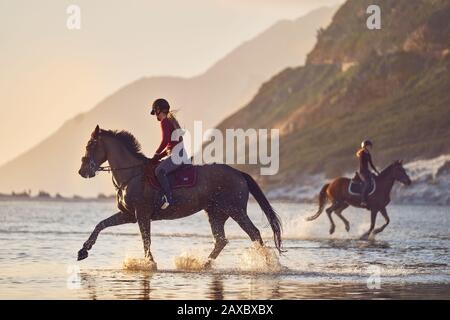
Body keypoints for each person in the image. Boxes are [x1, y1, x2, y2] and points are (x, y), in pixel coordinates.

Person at [150, 98, 186, 209]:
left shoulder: (165, 121)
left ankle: (169, 198)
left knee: (159, 171)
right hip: (179, 154)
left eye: (155, 112)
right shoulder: (171, 121)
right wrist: (158, 157)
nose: (156, 116)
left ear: (158, 110)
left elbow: (165, 141)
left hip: (177, 156)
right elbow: (170, 146)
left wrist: (156, 155)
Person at [356, 140, 380, 207]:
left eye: (370, 146)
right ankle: (363, 201)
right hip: (362, 172)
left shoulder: (368, 154)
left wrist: (376, 171)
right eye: (369, 146)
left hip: (367, 171)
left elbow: (371, 164)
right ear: (365, 146)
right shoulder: (362, 153)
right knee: (367, 183)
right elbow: (361, 164)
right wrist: (366, 172)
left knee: (375, 180)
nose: (370, 147)